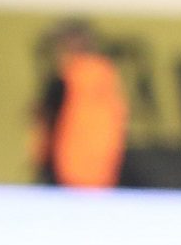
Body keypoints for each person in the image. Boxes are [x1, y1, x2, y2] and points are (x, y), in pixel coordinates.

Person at [34, 19, 128, 189]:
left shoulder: (71, 77)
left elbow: (51, 119)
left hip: (70, 168)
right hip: (99, 169)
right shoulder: (105, 74)